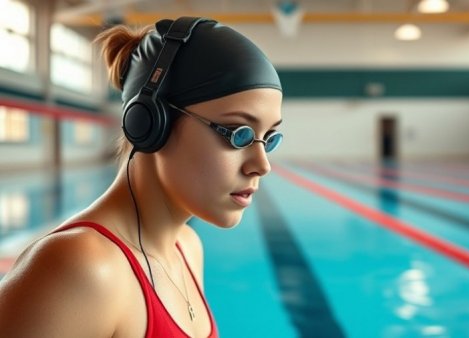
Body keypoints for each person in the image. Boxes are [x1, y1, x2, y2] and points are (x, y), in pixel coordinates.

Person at [0, 16, 283, 337]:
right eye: (238, 133)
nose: (261, 164)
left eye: (269, 138)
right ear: (149, 124)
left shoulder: (187, 247)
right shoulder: (83, 268)